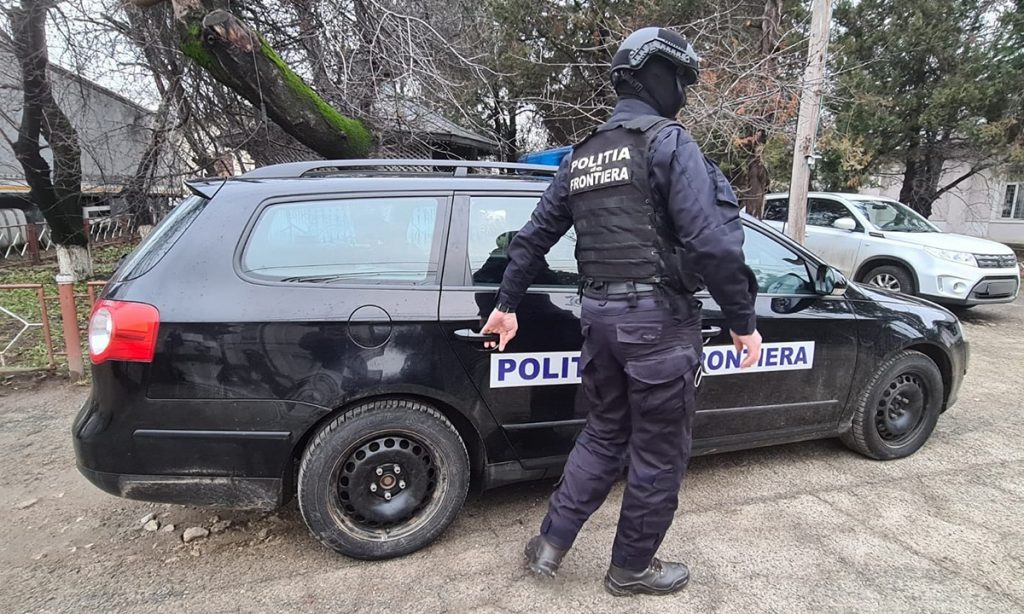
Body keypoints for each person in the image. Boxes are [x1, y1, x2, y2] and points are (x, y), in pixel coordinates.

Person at [480, 27, 763, 596]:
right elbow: (713, 243)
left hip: (600, 321)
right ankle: (631, 568)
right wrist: (742, 321)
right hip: (658, 326)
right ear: (658, 76)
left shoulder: (582, 156)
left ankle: (551, 544)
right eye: (681, 78)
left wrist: (506, 305)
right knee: (658, 452)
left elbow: (531, 240)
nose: (685, 90)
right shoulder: (669, 142)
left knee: (604, 433)